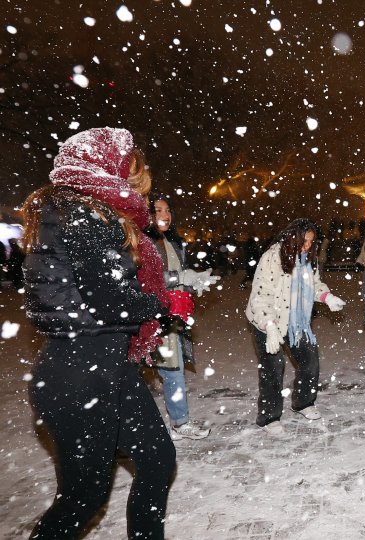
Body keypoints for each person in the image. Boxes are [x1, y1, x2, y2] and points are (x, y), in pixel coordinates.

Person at [22, 128, 181, 539]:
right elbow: (113, 301)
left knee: (157, 458)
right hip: (79, 371)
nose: (135, 186)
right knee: (83, 497)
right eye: (131, 174)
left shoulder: (85, 212)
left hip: (106, 364)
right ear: (105, 166)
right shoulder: (80, 213)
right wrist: (163, 304)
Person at [246, 219, 346, 435]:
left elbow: (315, 285)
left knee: (310, 360)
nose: (308, 246)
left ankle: (303, 402)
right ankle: (269, 417)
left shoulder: (308, 259)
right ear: (293, 238)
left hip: (296, 322)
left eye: (311, 242)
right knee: (273, 368)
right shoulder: (273, 257)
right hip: (267, 321)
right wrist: (270, 326)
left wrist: (327, 297)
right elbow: (261, 296)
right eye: (304, 241)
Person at [145, 194, 220, 440]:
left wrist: (194, 280)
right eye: (158, 210)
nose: (165, 215)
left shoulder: (170, 241)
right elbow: (144, 278)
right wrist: (180, 279)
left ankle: (178, 421)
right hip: (150, 316)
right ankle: (173, 423)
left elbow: (174, 274)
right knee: (166, 369)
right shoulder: (143, 241)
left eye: (167, 210)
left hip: (170, 315)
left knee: (172, 368)